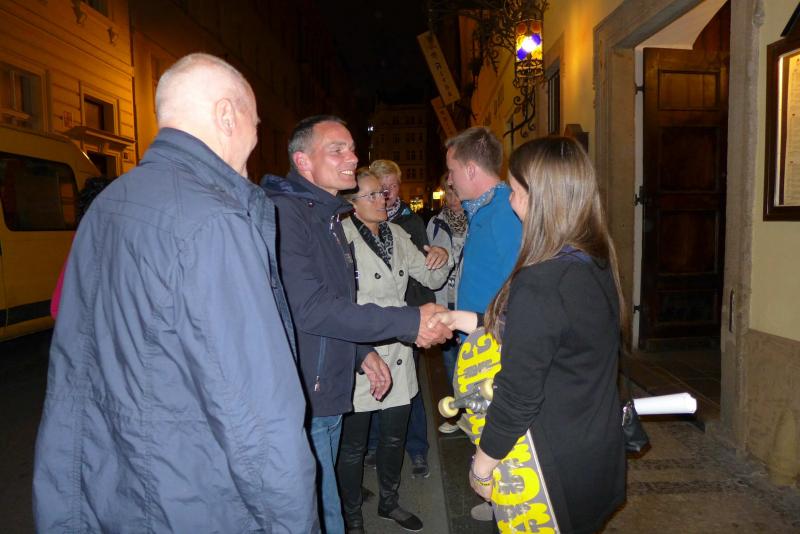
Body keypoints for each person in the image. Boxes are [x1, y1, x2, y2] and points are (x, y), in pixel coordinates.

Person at [33, 53, 318, 532]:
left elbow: (75, 359)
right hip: (190, 497)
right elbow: (257, 416)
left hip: (110, 485)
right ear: (226, 115)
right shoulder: (214, 221)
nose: (254, 139)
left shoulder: (110, 202)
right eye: (254, 123)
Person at [261, 116, 450, 534]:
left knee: (380, 446)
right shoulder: (295, 216)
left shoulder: (329, 218)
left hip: (352, 363)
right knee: (332, 487)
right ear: (303, 161)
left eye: (351, 147)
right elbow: (312, 308)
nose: (352, 157)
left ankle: (385, 503)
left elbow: (335, 300)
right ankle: (353, 519)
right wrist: (408, 321)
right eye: (338, 150)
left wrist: (362, 353)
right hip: (317, 382)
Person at [432, 136, 628, 533]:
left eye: (515, 190)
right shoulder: (590, 258)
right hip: (593, 448)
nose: (509, 200)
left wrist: (482, 466)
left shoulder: (541, 281)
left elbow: (518, 396)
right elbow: (549, 334)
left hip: (553, 468)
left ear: (540, 198)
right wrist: (463, 320)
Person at [337, 169, 452, 533]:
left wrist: (441, 255)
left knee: (393, 437)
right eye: (372, 195)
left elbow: (431, 277)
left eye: (382, 193)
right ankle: (352, 517)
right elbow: (337, 307)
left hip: (399, 352)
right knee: (353, 446)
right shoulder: (339, 238)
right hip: (362, 352)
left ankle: (389, 502)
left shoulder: (397, 234)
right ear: (352, 205)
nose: (382, 200)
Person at [368, 159, 438, 478]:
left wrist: (440, 257)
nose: (387, 193)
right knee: (375, 378)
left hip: (409, 315)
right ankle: (374, 444)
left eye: (393, 186)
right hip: (379, 316)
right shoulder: (361, 221)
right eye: (381, 186)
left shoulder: (411, 222)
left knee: (409, 383)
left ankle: (417, 446)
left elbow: (427, 269)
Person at [445, 127, 522, 318]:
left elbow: (521, 291)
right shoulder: (482, 210)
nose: (449, 181)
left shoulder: (506, 213)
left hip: (491, 334)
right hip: (477, 331)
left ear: (470, 170)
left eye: (452, 171)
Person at [426, 174, 467, 434]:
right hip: (444, 302)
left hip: (469, 303)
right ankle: (458, 415)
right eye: (448, 193)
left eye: (456, 192)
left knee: (474, 362)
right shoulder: (436, 223)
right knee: (451, 363)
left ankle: (478, 415)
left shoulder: (477, 221)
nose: (453, 198)